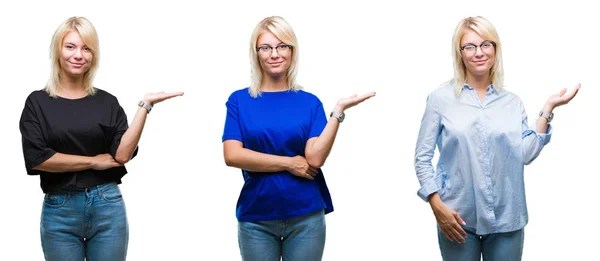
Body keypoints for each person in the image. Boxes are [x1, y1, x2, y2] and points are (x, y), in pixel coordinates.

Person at [414, 16, 580, 261]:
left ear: (495, 49)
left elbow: (524, 153)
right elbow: (422, 158)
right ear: (459, 53)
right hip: (457, 216)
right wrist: (437, 206)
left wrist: (548, 108)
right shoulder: (440, 99)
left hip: (506, 217)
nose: (479, 52)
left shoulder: (512, 102)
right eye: (469, 46)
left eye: (485, 44)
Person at [19, 16, 183, 261]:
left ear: (94, 55)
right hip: (60, 210)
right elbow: (38, 159)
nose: (78, 55)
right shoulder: (37, 102)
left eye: (86, 48)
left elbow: (122, 155)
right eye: (71, 46)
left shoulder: (107, 102)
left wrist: (145, 106)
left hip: (107, 205)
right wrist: (93, 161)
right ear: (58, 50)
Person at [222, 16, 375, 261]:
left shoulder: (309, 102)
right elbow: (232, 155)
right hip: (256, 217)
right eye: (266, 47)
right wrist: (289, 163)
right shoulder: (239, 100)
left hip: (306, 216)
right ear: (256, 53)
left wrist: (337, 113)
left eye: (282, 46)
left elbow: (314, 158)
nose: (274, 54)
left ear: (292, 51)